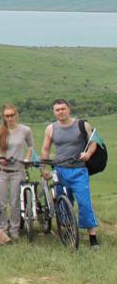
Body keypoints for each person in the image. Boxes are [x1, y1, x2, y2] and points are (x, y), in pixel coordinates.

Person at [40, 98, 101, 250]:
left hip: (79, 170)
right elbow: (45, 148)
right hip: (59, 170)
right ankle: (68, 231)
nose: (60, 112)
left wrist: (88, 154)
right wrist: (43, 168)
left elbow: (93, 143)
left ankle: (93, 238)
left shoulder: (82, 125)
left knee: (84, 203)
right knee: (62, 203)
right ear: (54, 112)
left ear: (69, 109)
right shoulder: (50, 128)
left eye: (63, 109)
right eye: (57, 110)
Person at [0, 103, 33, 241]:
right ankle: (2, 228)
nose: (10, 118)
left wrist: (27, 158)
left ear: (16, 114)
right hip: (1, 170)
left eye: (12, 115)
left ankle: (14, 229)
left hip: (17, 170)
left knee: (15, 202)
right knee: (1, 202)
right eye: (7, 116)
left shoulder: (25, 130)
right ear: (3, 117)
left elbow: (30, 146)